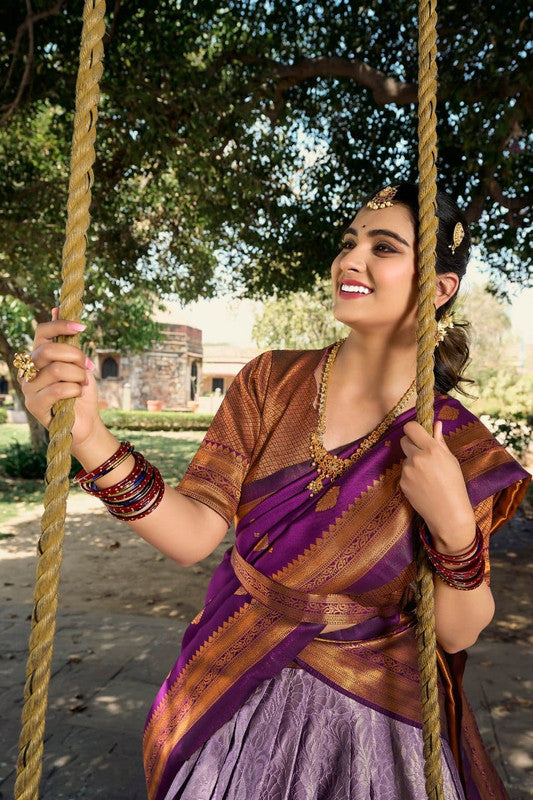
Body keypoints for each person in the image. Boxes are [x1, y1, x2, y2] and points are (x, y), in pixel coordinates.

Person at [19, 182, 530, 800]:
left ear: (439, 289)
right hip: (232, 681)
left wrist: (454, 526)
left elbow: (455, 633)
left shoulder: (454, 443)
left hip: (372, 715)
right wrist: (90, 438)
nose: (350, 260)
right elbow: (193, 534)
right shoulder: (271, 380)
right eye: (349, 243)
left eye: (384, 247)